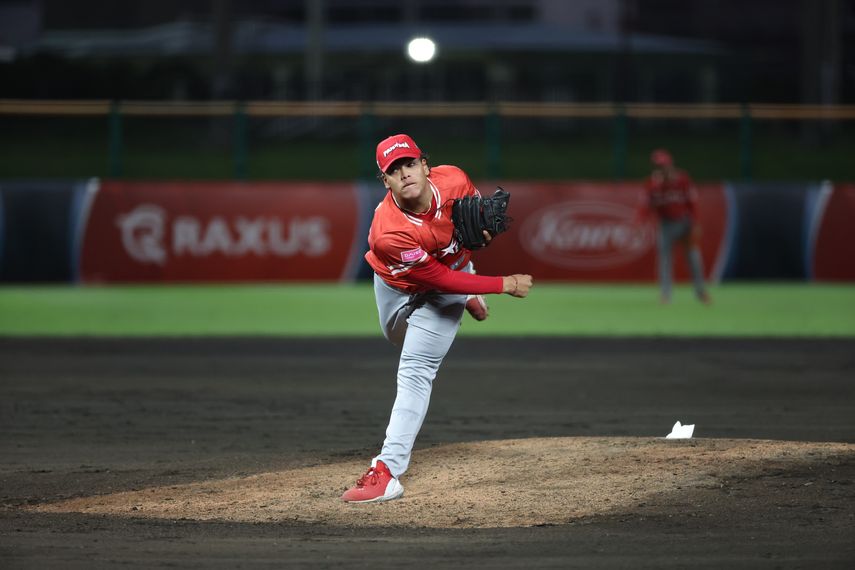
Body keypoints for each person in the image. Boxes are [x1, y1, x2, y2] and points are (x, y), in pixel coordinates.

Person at [341, 133, 533, 503]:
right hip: (396, 285)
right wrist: (503, 284)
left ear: (425, 166)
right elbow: (438, 278)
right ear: (386, 181)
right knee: (397, 337)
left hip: (445, 287)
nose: (405, 173)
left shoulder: (455, 180)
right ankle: (468, 289)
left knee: (415, 369)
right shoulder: (388, 232)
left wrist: (484, 236)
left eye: (410, 163)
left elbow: (475, 230)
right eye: (394, 170)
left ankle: (387, 472)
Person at [643, 148, 711, 304]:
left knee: (693, 258)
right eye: (658, 166)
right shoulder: (652, 183)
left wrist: (696, 223)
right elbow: (646, 205)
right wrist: (639, 221)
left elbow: (692, 203)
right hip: (666, 225)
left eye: (663, 165)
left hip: (685, 223)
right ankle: (666, 294)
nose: (661, 168)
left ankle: (701, 292)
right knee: (665, 260)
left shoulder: (682, 179)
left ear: (670, 164)